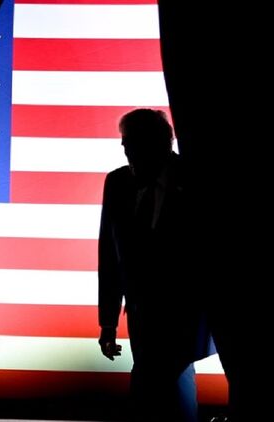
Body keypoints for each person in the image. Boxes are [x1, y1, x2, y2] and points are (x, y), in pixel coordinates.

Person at [97, 108, 213, 422]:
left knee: (159, 387)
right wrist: (108, 322)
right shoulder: (118, 182)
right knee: (162, 388)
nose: (125, 151)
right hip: (141, 313)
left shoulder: (195, 179)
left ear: (158, 145)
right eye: (124, 144)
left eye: (131, 144)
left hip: (184, 313)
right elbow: (109, 255)